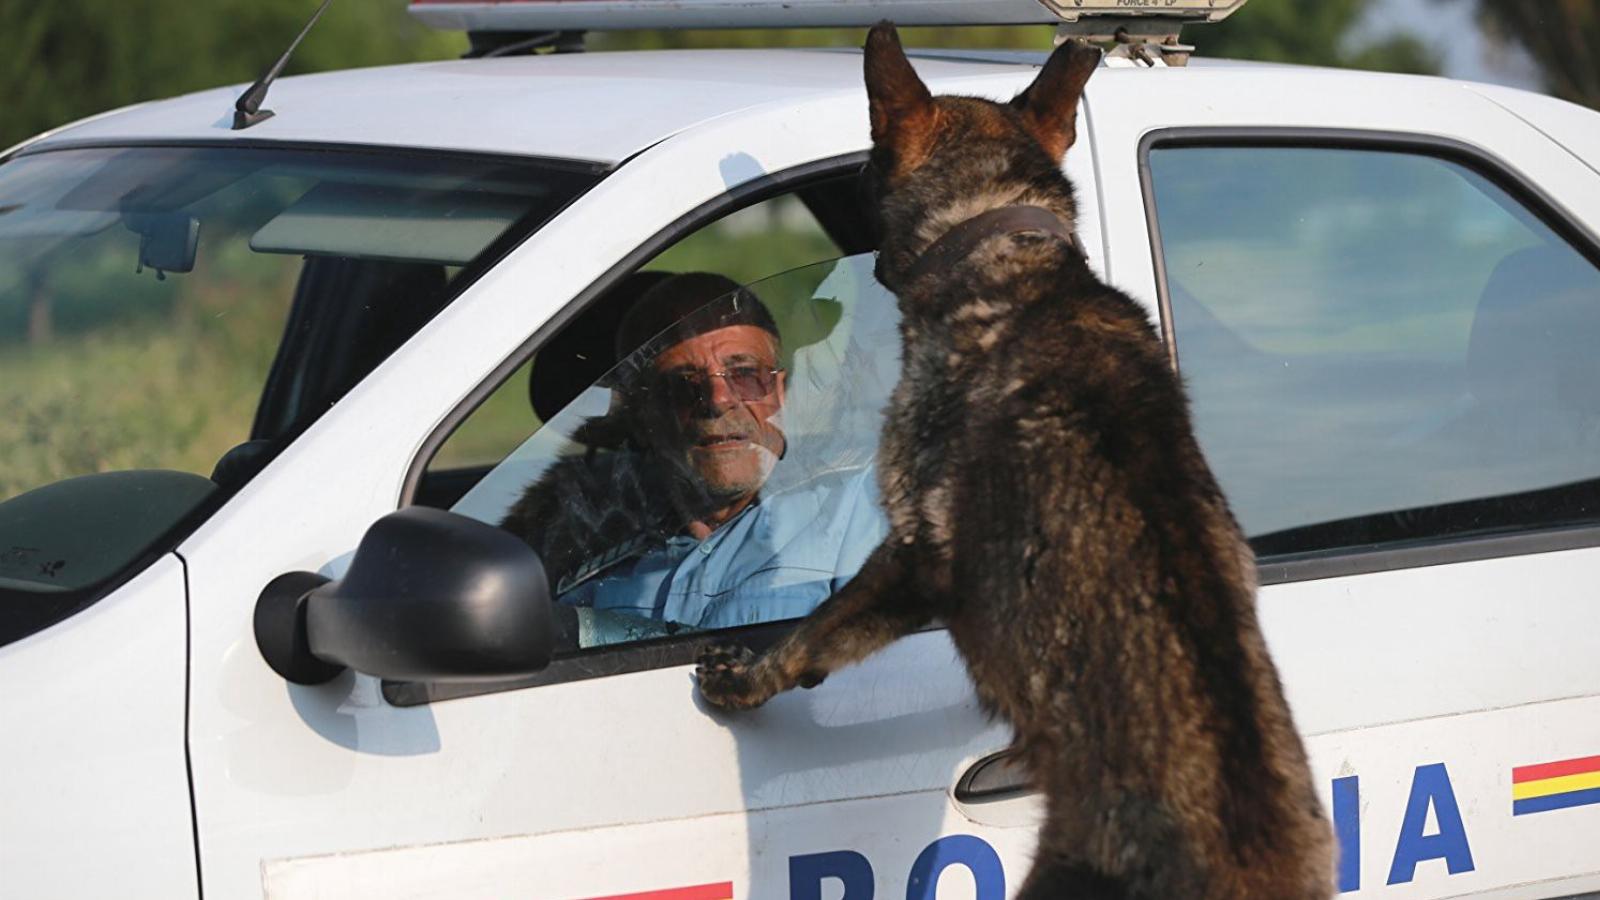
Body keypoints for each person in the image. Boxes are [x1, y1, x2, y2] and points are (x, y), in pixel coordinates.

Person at [499, 272, 884, 642]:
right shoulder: (589, 542)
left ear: (778, 392)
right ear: (642, 412)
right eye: (682, 386)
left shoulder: (858, 510)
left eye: (746, 375)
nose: (718, 401)